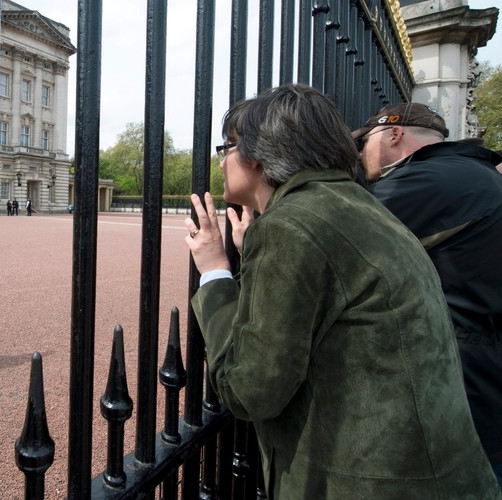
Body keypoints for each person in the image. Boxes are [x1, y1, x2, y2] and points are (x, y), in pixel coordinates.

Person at [185, 84, 500, 498]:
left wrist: (215, 273)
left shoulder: (293, 224)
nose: (223, 160)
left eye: (228, 146)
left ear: (259, 154)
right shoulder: (354, 204)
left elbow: (249, 390)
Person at [355, 102, 502, 485]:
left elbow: (335, 230)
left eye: (363, 142)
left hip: (459, 389)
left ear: (394, 133)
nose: (358, 154)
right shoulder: (470, 173)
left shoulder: (429, 180)